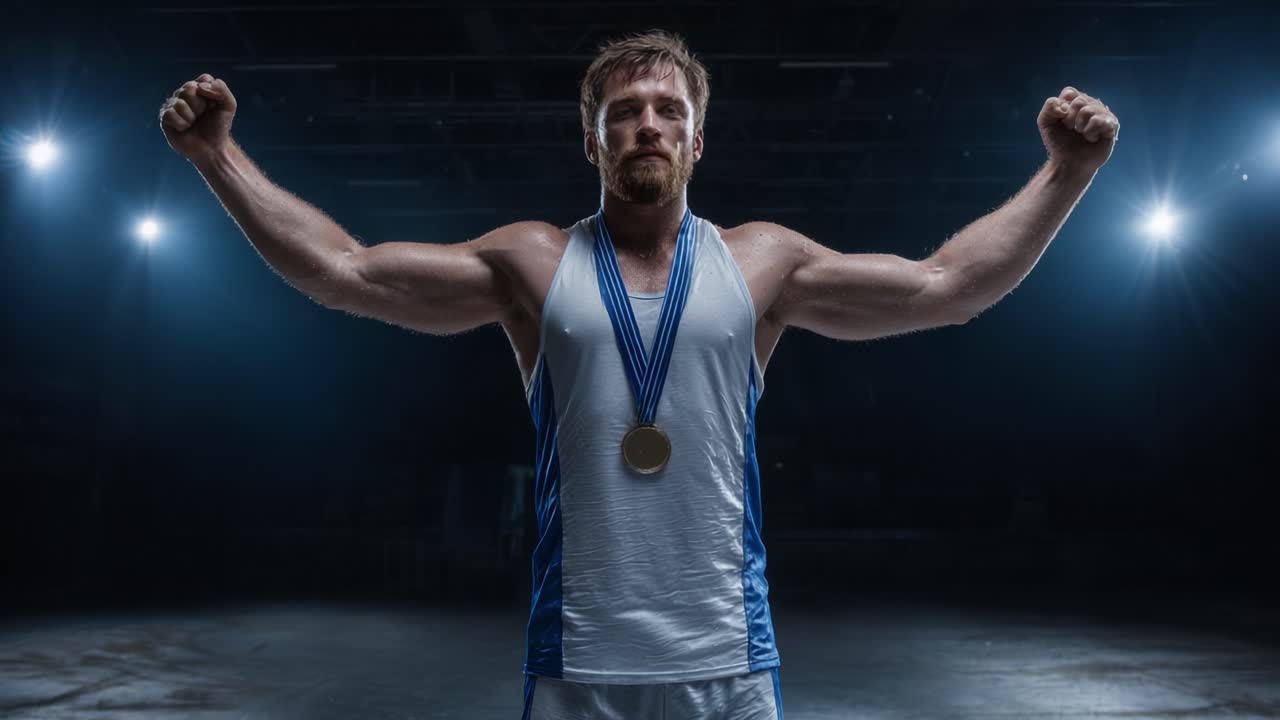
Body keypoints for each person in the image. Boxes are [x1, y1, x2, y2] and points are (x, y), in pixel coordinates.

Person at [159, 28, 1118, 720]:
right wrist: (216, 157)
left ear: (698, 140)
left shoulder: (762, 264)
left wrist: (1065, 175)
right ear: (593, 142)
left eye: (669, 111)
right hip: (577, 663)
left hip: (729, 662)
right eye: (624, 113)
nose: (647, 125)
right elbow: (346, 273)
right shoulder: (530, 263)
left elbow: (946, 286)